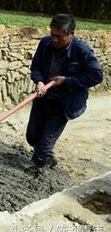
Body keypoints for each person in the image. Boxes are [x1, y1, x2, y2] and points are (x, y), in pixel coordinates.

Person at [26, 14, 103, 170]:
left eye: (59, 37)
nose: (54, 40)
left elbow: (96, 75)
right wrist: (39, 81)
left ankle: (36, 169)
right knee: (32, 137)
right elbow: (36, 67)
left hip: (63, 104)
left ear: (71, 34)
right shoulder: (45, 43)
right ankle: (48, 158)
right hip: (43, 99)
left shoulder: (82, 51)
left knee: (43, 146)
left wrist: (67, 80)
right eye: (52, 35)